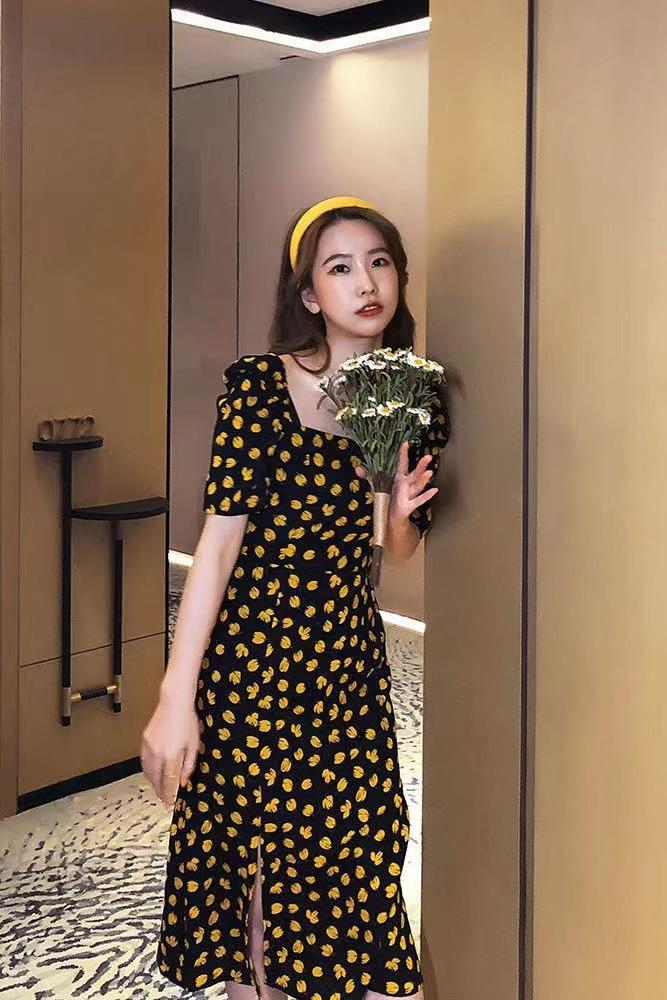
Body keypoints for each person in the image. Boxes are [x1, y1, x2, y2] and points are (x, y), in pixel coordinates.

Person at [142, 196, 450, 1000]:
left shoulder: (408, 400)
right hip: (253, 666)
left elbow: (392, 554)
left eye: (378, 262)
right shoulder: (259, 387)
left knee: (351, 853)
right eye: (339, 268)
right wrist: (176, 697)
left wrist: (400, 516)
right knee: (253, 878)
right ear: (309, 295)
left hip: (345, 665)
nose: (365, 283)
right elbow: (217, 547)